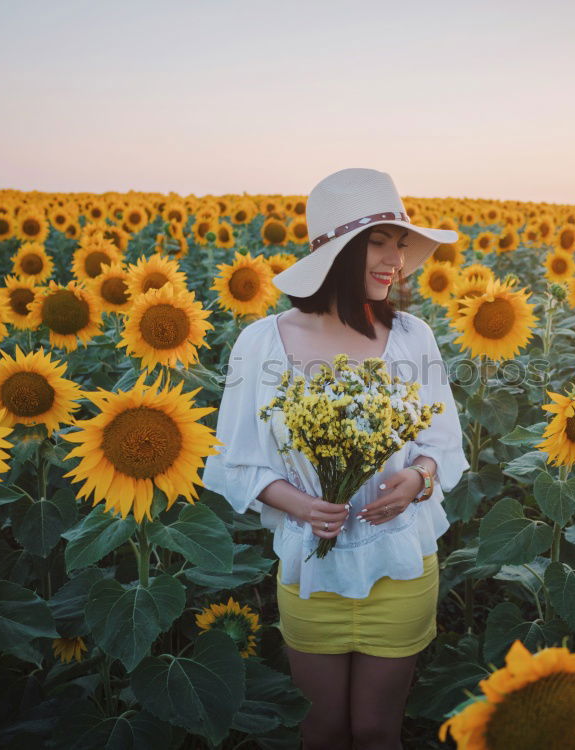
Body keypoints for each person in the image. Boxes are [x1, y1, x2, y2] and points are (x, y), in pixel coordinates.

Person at [202, 168, 468, 750]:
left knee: (376, 731)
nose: (395, 259)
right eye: (379, 241)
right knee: (319, 730)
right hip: (311, 569)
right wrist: (301, 504)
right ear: (340, 250)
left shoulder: (412, 336)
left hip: (399, 560)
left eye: (400, 243)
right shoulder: (261, 343)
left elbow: (443, 443)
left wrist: (417, 481)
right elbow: (235, 462)